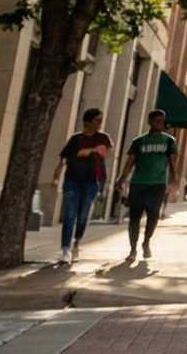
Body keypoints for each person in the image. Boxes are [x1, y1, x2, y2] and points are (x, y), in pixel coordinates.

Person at [50, 108, 112, 263]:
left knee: (83, 216)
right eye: (97, 120)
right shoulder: (75, 139)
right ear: (87, 122)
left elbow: (106, 152)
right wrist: (56, 177)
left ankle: (76, 243)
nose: (100, 123)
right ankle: (65, 249)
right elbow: (64, 158)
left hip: (92, 182)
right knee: (70, 215)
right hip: (72, 181)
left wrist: (88, 151)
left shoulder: (103, 137)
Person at [118, 109, 177, 262]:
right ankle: (132, 249)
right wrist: (122, 179)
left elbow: (172, 162)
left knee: (153, 216)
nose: (161, 124)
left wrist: (173, 180)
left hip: (157, 184)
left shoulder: (169, 141)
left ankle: (146, 242)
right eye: (157, 121)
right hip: (138, 183)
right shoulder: (138, 141)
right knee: (134, 217)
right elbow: (130, 162)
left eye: (163, 121)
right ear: (149, 122)